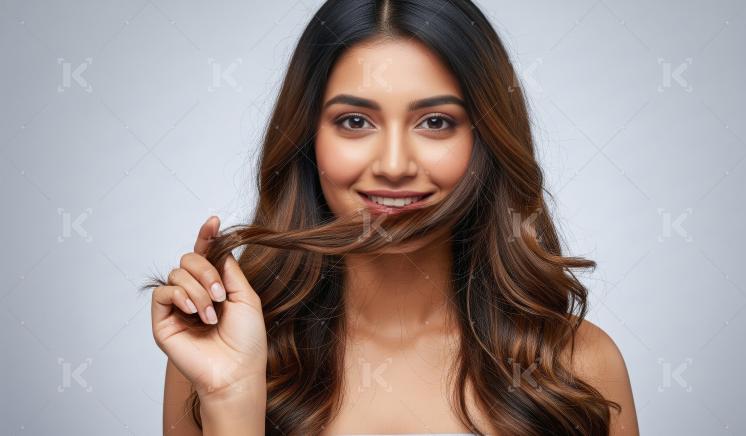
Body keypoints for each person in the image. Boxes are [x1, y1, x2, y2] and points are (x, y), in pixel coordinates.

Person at [145, 0, 639, 434]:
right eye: (355, 122)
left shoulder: (579, 366)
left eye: (436, 122)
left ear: (484, 139)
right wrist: (232, 401)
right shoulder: (219, 352)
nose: (395, 165)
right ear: (307, 139)